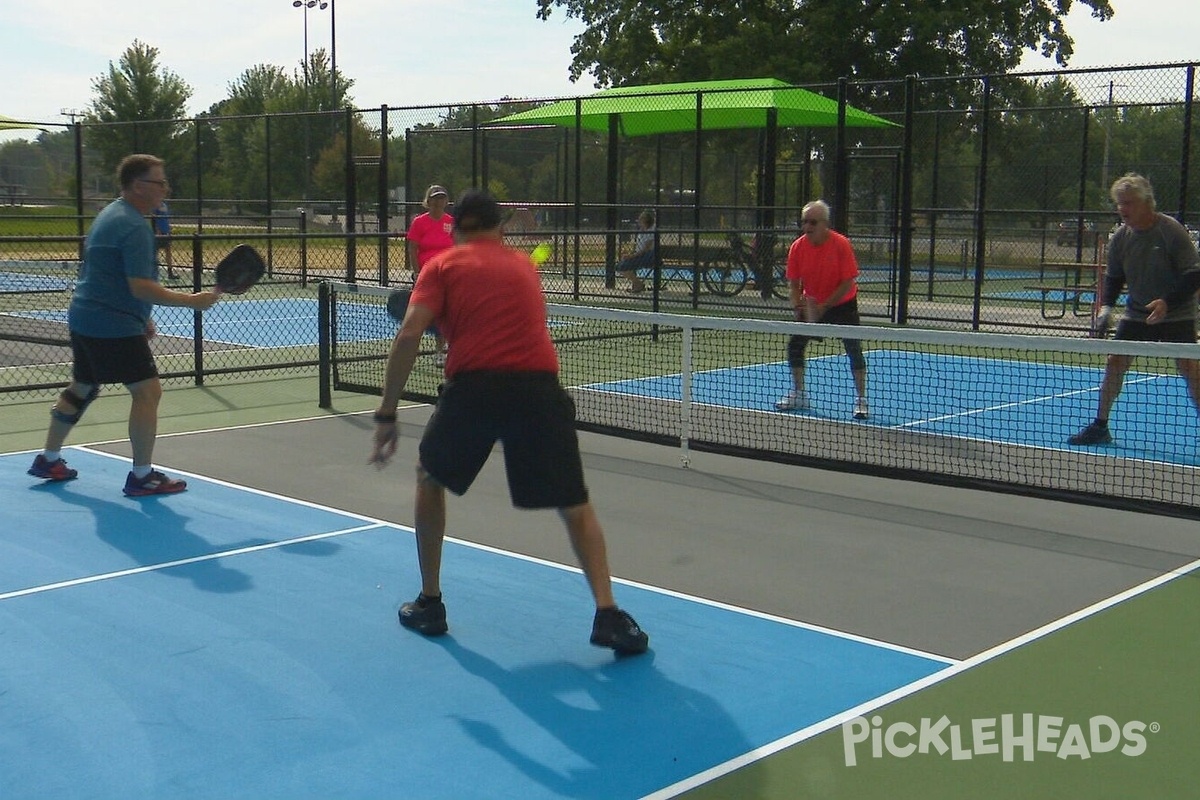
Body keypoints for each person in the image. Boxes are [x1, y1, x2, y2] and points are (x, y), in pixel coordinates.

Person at [369, 189, 649, 656]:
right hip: (538, 389)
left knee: (429, 478)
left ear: (456, 229)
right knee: (574, 503)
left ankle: (430, 602)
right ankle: (609, 614)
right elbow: (504, 322)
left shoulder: (440, 267)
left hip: (475, 390)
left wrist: (387, 412)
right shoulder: (524, 267)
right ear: (500, 228)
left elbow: (410, 333)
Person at [27, 154, 220, 495]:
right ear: (138, 185)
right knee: (147, 391)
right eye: (159, 182)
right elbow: (139, 286)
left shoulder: (110, 214)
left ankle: (48, 458)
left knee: (82, 386)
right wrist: (192, 301)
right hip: (110, 325)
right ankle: (142, 476)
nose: (165, 189)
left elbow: (105, 273)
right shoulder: (133, 226)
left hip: (86, 317)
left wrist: (141, 314)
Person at [1068, 173, 1200, 445]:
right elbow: (1115, 277)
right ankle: (1100, 426)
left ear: (1146, 203)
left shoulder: (1171, 231)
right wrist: (1106, 309)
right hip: (1137, 313)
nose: (1122, 209)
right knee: (1115, 362)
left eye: (1128, 203)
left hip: (1177, 314)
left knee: (1190, 368)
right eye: (1119, 203)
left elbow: (1193, 273)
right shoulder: (1120, 238)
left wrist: (1166, 302)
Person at [775, 200, 869, 419]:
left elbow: (848, 282)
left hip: (842, 303)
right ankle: (799, 394)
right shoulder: (798, 246)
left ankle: (861, 400)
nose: (807, 226)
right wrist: (799, 306)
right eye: (804, 221)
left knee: (853, 348)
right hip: (811, 304)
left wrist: (824, 306)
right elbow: (794, 285)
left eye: (813, 222)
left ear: (824, 224)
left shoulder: (841, 244)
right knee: (795, 346)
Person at [405, 184, 454, 365]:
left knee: (445, 314)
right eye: (435, 198)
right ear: (428, 201)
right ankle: (408, 352)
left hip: (447, 276)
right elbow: (413, 248)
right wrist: (417, 273)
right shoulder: (419, 222)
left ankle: (441, 351)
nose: (438, 201)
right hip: (425, 276)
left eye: (442, 198)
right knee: (419, 316)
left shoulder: (451, 222)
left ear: (446, 201)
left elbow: (456, 247)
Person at [617, 210, 656, 293]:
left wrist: (632, 256)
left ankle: (638, 284)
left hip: (648, 256)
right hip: (640, 255)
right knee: (620, 266)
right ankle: (637, 284)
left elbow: (646, 249)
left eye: (640, 220)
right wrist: (630, 254)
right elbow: (638, 247)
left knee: (623, 267)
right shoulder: (641, 231)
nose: (639, 222)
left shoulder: (651, 231)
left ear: (645, 221)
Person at [151, 200, 174, 279]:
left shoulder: (164, 204)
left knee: (168, 250)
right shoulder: (154, 205)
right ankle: (152, 272)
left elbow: (166, 218)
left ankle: (170, 272)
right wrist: (157, 230)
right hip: (159, 231)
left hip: (165, 230)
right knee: (155, 252)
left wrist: (169, 228)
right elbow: (154, 218)